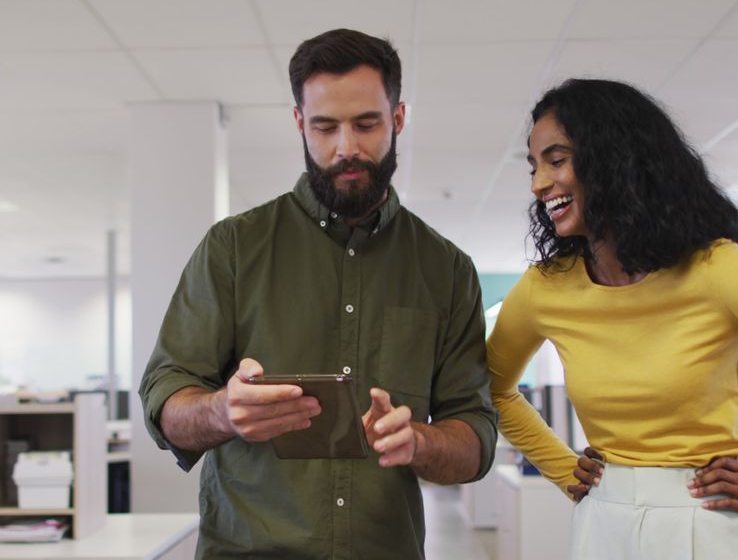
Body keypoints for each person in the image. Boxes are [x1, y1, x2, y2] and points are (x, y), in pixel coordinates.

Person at [488, 78, 738, 560]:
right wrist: (561, 467)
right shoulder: (547, 286)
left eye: (556, 160)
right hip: (603, 521)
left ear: (614, 160)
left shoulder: (717, 270)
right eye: (535, 165)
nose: (539, 183)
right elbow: (489, 386)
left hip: (711, 522)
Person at [139, 28, 497, 560]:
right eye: (325, 127)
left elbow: (474, 435)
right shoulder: (233, 248)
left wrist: (420, 442)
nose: (346, 148)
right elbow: (165, 398)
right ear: (299, 123)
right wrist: (222, 411)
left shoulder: (446, 270)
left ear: (398, 120)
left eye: (366, 124)